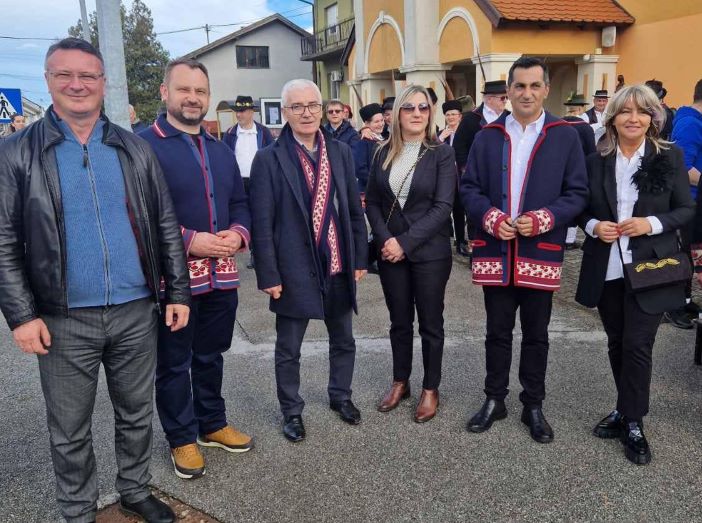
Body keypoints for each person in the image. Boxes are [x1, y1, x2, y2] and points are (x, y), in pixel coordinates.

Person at [0, 37, 191, 523]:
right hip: (62, 319)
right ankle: (77, 510)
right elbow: (2, 239)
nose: (77, 84)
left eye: (88, 75)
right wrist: (21, 316)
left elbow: (165, 223)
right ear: (48, 81)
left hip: (136, 312)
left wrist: (178, 291)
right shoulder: (18, 153)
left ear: (104, 83)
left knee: (135, 413)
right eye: (65, 75)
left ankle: (134, 488)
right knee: (69, 427)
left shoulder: (132, 148)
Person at [461, 57, 588, 443]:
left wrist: (546, 218)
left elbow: (577, 192)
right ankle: (494, 399)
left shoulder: (565, 134)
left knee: (537, 334)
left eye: (535, 86)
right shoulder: (488, 135)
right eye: (520, 86)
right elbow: (468, 188)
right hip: (497, 250)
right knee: (496, 332)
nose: (527, 93)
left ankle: (533, 403)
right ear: (508, 91)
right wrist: (490, 217)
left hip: (540, 250)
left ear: (546, 90)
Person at [140, 58, 253, 480]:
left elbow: (240, 201)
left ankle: (211, 423)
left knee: (211, 354)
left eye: (200, 91)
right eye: (184, 89)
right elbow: (138, 213)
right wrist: (190, 239)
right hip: (174, 279)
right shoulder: (144, 145)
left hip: (222, 274)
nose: (193, 98)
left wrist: (239, 233)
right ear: (165, 93)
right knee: (174, 362)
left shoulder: (220, 149)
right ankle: (181, 438)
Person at [575, 84, 694, 465]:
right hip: (608, 266)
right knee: (616, 340)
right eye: (625, 111)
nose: (634, 118)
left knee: (638, 345)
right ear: (612, 117)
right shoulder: (595, 160)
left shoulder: (668, 156)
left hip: (651, 266)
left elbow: (685, 210)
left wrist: (651, 223)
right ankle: (624, 408)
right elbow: (580, 207)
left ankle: (634, 421)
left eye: (642, 112)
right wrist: (594, 225)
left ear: (652, 118)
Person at [249, 79, 368, 442]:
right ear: (284, 112)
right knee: (289, 348)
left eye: (313, 105)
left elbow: (351, 211)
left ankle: (340, 396)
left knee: (343, 339)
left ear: (324, 108)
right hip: (292, 267)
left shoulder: (340, 152)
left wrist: (360, 256)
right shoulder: (269, 157)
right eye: (297, 107)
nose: (307, 113)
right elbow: (262, 222)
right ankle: (292, 410)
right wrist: (268, 273)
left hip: (336, 261)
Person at [365, 85, 455, 422]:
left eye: (423, 108)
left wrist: (404, 242)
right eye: (409, 108)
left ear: (430, 113)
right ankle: (400, 381)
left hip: (429, 253)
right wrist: (387, 240)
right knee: (399, 322)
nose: (416, 113)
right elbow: (373, 201)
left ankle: (431, 388)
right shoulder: (381, 152)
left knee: (431, 324)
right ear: (397, 114)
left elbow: (443, 206)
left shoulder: (441, 153)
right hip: (390, 253)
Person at [452, 80, 510, 258]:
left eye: (506, 97)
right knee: (475, 213)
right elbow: (459, 147)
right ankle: (476, 250)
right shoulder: (471, 118)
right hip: (475, 175)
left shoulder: (508, 118)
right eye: (502, 98)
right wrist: (466, 169)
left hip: (501, 175)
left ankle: (501, 251)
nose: (505, 101)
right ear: (489, 98)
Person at [221, 95, 274, 269]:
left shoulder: (263, 132)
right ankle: (244, 246)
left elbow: (272, 156)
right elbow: (225, 158)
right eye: (237, 111)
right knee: (242, 214)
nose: (239, 115)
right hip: (238, 181)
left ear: (251, 112)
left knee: (260, 214)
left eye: (243, 111)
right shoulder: (229, 133)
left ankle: (257, 252)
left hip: (258, 179)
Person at [665, 80, 702, 328]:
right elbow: (682, 166)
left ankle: (685, 301)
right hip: (690, 201)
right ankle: (674, 306)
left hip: (696, 200)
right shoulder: (690, 123)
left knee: (691, 253)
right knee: (685, 254)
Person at [563, 93, 597, 248]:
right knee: (575, 201)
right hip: (579, 169)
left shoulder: (557, 124)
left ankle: (562, 237)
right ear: (582, 108)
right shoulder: (585, 127)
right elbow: (591, 152)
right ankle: (569, 240)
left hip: (560, 169)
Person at [439, 99, 470, 258]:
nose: (451, 117)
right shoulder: (440, 134)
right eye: (448, 115)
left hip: (462, 176)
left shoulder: (465, 133)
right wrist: (440, 139)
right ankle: (451, 241)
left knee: (461, 209)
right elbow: (431, 153)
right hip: (445, 178)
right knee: (446, 210)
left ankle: (463, 241)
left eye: (454, 115)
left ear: (460, 116)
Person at [352, 102, 385, 197]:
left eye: (382, 120)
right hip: (369, 191)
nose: (381, 124)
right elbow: (360, 169)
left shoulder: (384, 138)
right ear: (367, 124)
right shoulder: (363, 141)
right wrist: (378, 182)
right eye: (376, 122)